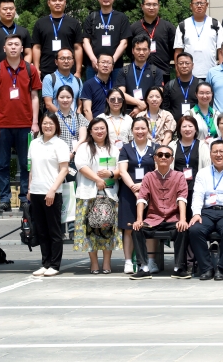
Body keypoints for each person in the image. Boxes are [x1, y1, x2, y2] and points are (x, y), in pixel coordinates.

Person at [0, 34, 41, 213]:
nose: (13, 47)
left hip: (25, 125)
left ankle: (25, 198)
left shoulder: (30, 69)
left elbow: (35, 97)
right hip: (2, 125)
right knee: (3, 164)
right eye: (10, 44)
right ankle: (5, 200)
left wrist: (35, 122)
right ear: (4, 48)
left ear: (22, 48)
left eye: (17, 44)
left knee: (26, 164)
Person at [186, 139, 223, 281]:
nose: (218, 154)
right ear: (210, 154)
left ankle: (221, 268)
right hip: (207, 211)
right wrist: (196, 213)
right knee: (195, 229)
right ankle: (206, 268)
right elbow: (198, 195)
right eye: (215, 152)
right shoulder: (203, 173)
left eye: (221, 151)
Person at [129, 144, 190, 280]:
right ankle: (143, 267)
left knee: (183, 229)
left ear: (172, 159)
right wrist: (139, 220)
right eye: (160, 155)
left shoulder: (179, 176)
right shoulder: (148, 176)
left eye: (167, 155)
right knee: (137, 229)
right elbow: (142, 199)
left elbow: (182, 198)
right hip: (153, 219)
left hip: (173, 219)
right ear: (155, 158)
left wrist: (182, 219)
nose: (163, 157)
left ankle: (179, 268)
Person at [74, 118, 121, 274]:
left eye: (102, 128)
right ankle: (93, 263)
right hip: (88, 194)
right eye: (96, 129)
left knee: (107, 229)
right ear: (90, 131)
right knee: (89, 230)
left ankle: (107, 262)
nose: (99, 131)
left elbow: (121, 169)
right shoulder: (84, 147)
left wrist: (111, 174)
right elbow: (81, 166)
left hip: (109, 193)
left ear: (106, 130)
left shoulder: (113, 148)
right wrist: (97, 179)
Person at [26, 113, 70, 276]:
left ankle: (55, 265)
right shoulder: (34, 143)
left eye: (51, 123)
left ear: (56, 125)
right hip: (36, 192)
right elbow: (31, 168)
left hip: (52, 192)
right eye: (45, 123)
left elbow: (64, 170)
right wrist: (29, 189)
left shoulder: (60, 144)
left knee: (54, 230)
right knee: (41, 230)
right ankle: (45, 263)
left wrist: (52, 190)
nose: (48, 126)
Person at [118, 117, 156, 274]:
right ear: (132, 131)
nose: (140, 131)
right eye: (137, 128)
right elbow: (122, 171)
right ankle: (128, 261)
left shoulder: (155, 147)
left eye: (143, 128)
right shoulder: (126, 148)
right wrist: (134, 189)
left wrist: (143, 185)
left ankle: (151, 261)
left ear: (148, 130)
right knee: (129, 228)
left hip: (151, 192)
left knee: (149, 226)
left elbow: (158, 170)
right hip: (129, 192)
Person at [31, 0, 83, 80]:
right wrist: (36, 69)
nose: (57, 3)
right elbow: (36, 47)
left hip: (69, 71)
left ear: (65, 2)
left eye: (60, 0)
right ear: (49, 3)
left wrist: (78, 71)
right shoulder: (40, 23)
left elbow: (78, 48)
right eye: (54, 0)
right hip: (46, 70)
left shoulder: (74, 23)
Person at [82, 0, 132, 72]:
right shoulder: (91, 17)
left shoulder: (121, 17)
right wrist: (93, 59)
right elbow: (86, 41)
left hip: (115, 66)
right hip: (94, 65)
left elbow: (124, 42)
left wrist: (112, 61)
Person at [116, 35, 165, 116]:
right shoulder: (124, 71)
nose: (141, 53)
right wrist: (139, 103)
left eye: (144, 49)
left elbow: (158, 95)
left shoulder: (156, 71)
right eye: (138, 49)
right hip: (128, 114)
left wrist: (141, 107)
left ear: (149, 51)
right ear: (132, 50)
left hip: (150, 114)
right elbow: (120, 94)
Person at [133, 0, 177, 77]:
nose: (151, 7)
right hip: (140, 73)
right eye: (148, 4)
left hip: (163, 72)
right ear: (142, 6)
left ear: (159, 6)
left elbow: (174, 49)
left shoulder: (168, 27)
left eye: (154, 5)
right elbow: (130, 50)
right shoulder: (134, 27)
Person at [41, 48, 84, 115]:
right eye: (62, 58)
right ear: (56, 62)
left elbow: (80, 104)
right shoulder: (49, 79)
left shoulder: (78, 80)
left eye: (69, 58)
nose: (66, 61)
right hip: (55, 118)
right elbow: (48, 104)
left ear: (73, 62)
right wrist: (63, 117)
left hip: (74, 119)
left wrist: (77, 116)